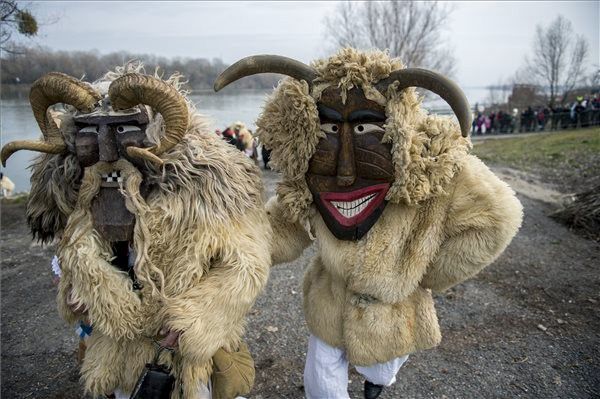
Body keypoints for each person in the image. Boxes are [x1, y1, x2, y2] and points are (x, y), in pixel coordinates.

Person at [215, 49, 523, 399]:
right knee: (321, 381)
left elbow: (497, 218)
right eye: (329, 128)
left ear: (400, 128)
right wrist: (217, 251)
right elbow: (276, 230)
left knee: (381, 366)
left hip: (394, 314)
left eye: (365, 129)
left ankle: (378, 380)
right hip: (328, 305)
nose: (345, 171)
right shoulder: (309, 180)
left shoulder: (431, 170)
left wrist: (424, 274)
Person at [1, 66, 271, 399]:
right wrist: (78, 287)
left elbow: (246, 264)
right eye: (89, 132)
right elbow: (71, 253)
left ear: (159, 132)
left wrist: (196, 315)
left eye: (124, 129)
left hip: (180, 352)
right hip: (117, 353)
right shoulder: (79, 192)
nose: (107, 151)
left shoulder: (208, 193)